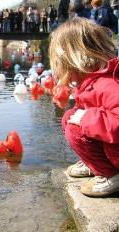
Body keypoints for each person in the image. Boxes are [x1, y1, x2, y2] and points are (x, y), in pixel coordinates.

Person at [49, 17, 119, 197]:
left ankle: (110, 174)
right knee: (70, 117)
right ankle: (95, 164)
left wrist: (86, 119)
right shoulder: (91, 83)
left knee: (75, 125)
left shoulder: (108, 85)